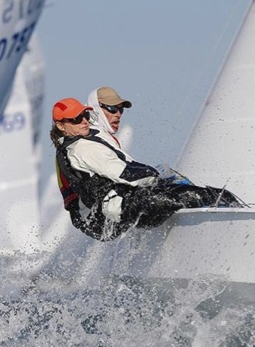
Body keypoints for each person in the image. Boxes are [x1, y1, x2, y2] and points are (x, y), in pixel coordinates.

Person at [51, 96, 239, 241]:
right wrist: (160, 177)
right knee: (206, 195)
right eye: (76, 119)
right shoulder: (82, 148)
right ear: (61, 125)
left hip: (109, 215)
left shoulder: (70, 147)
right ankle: (236, 224)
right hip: (118, 209)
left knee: (172, 192)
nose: (84, 121)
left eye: (85, 115)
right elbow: (127, 174)